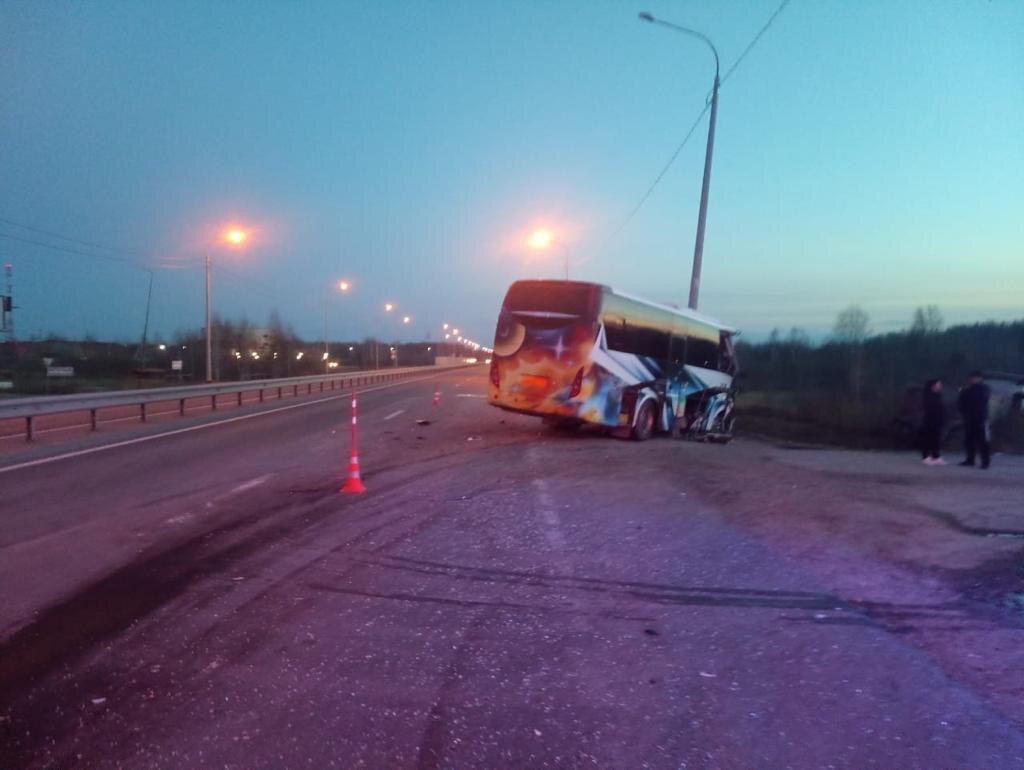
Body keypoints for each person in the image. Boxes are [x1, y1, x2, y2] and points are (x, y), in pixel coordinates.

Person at [957, 370, 991, 469]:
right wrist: (963, 412)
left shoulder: (984, 388)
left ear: (980, 378)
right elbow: (961, 401)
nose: (973, 379)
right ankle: (970, 459)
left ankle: (985, 462)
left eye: (975, 378)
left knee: (983, 441)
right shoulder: (967, 389)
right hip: (969, 418)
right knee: (969, 440)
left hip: (981, 418)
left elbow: (982, 400)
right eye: (971, 378)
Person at [919, 378, 946, 465]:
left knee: (936, 439)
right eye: (938, 384)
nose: (940, 386)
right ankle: (925, 457)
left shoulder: (938, 395)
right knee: (927, 439)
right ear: (932, 386)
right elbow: (929, 409)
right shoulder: (927, 396)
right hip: (929, 421)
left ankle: (936, 456)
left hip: (937, 421)